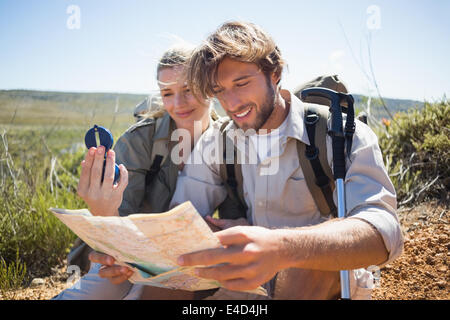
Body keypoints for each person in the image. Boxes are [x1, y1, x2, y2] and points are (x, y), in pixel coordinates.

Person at [91, 21, 404, 300]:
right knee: (174, 269)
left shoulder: (339, 133)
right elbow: (180, 222)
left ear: (275, 73)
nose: (232, 103)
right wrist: (134, 257)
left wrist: (280, 248)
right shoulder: (218, 139)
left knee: (306, 263)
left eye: (241, 84)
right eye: (219, 91)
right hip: (245, 281)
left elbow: (383, 232)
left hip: (320, 276)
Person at [53, 44, 246, 300]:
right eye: (167, 93)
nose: (178, 104)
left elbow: (239, 215)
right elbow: (115, 220)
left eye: (188, 90)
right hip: (126, 257)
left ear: (209, 87)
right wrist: (103, 212)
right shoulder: (141, 140)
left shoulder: (231, 142)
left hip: (193, 266)